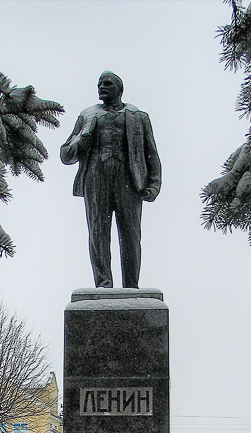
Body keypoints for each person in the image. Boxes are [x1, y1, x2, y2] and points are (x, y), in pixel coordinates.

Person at [60, 71, 162, 289]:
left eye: (107, 83)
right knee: (98, 233)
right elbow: (66, 155)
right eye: (99, 84)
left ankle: (131, 286)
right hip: (96, 179)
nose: (101, 87)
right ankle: (103, 284)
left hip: (129, 180)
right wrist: (84, 138)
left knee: (131, 235)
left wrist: (154, 184)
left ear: (119, 89)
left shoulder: (138, 116)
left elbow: (150, 152)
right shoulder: (88, 117)